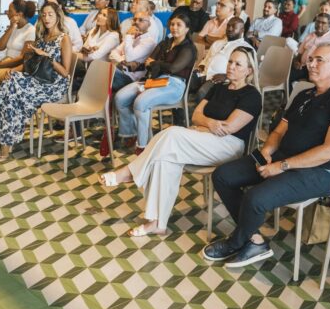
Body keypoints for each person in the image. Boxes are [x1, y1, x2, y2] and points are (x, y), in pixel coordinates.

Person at [205, 43, 330, 268]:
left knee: (255, 198)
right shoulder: (305, 95)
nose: (311, 64)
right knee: (223, 175)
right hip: (280, 156)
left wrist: (282, 166)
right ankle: (254, 239)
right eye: (311, 59)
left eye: (319, 60)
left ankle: (236, 241)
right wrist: (267, 150)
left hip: (317, 171)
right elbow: (279, 130)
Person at [100, 47, 262, 236]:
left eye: (238, 64)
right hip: (202, 138)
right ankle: (157, 223)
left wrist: (205, 125)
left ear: (249, 70)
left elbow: (228, 128)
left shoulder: (251, 96)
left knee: (172, 133)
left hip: (228, 146)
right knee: (164, 160)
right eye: (230, 61)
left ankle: (130, 172)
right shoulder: (218, 87)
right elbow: (196, 116)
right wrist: (209, 123)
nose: (231, 66)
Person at [0, 2, 73, 157]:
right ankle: (5, 139)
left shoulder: (64, 39)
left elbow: (65, 72)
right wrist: (12, 71)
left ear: (58, 16)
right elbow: (31, 65)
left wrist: (47, 57)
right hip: (37, 80)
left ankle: (0, 134)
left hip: (54, 85)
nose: (46, 18)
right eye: (43, 15)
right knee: (12, 83)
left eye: (50, 14)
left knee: (13, 88)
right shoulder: (43, 37)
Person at [115, 13, 197, 153]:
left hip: (174, 85)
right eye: (172, 24)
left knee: (140, 102)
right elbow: (148, 63)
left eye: (179, 25)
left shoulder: (188, 48)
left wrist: (156, 63)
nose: (174, 27)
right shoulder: (165, 43)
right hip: (154, 79)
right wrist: (156, 64)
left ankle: (143, 145)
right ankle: (132, 133)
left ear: (187, 29)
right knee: (120, 98)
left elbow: (173, 68)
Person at [195, 17, 251, 99]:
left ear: (242, 30)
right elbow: (206, 58)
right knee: (184, 83)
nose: (229, 29)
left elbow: (247, 72)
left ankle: (203, 111)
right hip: (203, 73)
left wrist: (226, 76)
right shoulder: (217, 43)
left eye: (234, 27)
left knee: (202, 93)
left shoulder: (245, 48)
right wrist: (201, 65)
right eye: (228, 26)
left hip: (218, 79)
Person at [109, 11, 158, 92]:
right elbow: (112, 54)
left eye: (140, 20)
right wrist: (122, 61)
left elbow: (129, 57)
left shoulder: (149, 42)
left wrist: (128, 35)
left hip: (131, 79)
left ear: (149, 24)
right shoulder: (132, 36)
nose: (136, 22)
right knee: (99, 70)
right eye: (134, 19)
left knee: (103, 73)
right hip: (120, 70)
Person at [291, 13, 330, 82]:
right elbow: (300, 53)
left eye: (323, 23)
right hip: (302, 67)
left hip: (318, 71)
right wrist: (296, 61)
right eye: (317, 22)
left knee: (290, 76)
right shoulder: (310, 35)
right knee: (285, 72)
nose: (319, 25)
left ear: (329, 25)